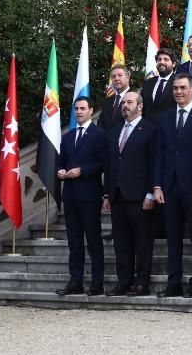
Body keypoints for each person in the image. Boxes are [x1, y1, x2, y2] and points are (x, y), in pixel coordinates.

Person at [153, 73, 192, 299]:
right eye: (175, 89)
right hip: (169, 187)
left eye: (182, 88)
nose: (178, 92)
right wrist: (157, 186)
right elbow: (159, 153)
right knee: (173, 238)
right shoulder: (165, 117)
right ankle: (174, 282)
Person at [103, 91, 158, 296]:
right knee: (121, 243)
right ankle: (123, 281)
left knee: (142, 242)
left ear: (140, 106)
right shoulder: (115, 130)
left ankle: (142, 282)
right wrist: (107, 194)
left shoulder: (150, 130)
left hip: (140, 196)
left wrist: (150, 193)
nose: (125, 105)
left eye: (130, 102)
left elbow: (154, 164)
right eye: (124, 102)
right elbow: (109, 164)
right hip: (117, 195)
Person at [55, 96, 108, 297]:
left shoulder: (99, 135)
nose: (78, 112)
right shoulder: (68, 137)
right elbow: (61, 162)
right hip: (70, 195)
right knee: (74, 241)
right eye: (76, 108)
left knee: (93, 240)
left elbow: (103, 164)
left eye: (82, 108)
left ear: (91, 110)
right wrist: (60, 171)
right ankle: (75, 281)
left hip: (90, 195)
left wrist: (82, 171)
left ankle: (97, 282)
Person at [140, 48, 177, 124]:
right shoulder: (148, 83)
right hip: (148, 130)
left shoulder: (178, 83)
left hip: (169, 131)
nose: (161, 62)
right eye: (159, 59)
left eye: (166, 59)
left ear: (173, 64)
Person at [97, 64, 131, 132]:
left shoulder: (136, 97)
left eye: (120, 75)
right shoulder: (107, 102)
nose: (116, 78)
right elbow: (100, 126)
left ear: (128, 77)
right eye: (113, 76)